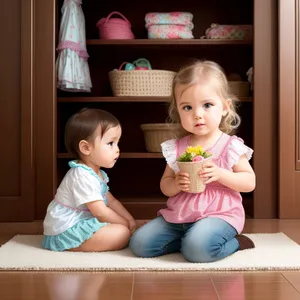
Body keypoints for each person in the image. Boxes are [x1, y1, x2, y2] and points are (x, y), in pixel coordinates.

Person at [129, 60, 256, 263]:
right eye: (187, 107)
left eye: (207, 105)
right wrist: (176, 183)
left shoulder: (230, 145)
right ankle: (190, 241)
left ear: (225, 107)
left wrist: (221, 174)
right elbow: (165, 185)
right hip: (180, 215)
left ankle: (233, 242)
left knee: (197, 251)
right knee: (140, 244)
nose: (197, 114)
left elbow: (249, 182)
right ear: (178, 111)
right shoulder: (177, 147)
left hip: (219, 215)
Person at [42, 108, 136, 252]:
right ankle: (70, 244)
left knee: (121, 229)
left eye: (118, 143)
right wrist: (125, 225)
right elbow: (100, 212)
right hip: (66, 229)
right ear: (86, 148)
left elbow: (112, 202)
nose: (117, 149)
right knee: (121, 233)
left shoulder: (97, 173)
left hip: (82, 220)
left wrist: (129, 220)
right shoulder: (81, 175)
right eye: (111, 143)